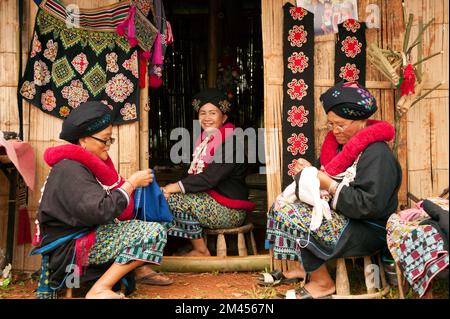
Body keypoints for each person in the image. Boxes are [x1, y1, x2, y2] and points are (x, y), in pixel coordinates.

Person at [261, 81, 402, 299]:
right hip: (347, 219)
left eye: (341, 125)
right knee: (283, 203)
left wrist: (330, 185)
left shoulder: (378, 155)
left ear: (361, 120)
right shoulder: (340, 147)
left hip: (368, 229)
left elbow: (369, 206)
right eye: (331, 124)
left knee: (291, 213)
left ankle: (322, 283)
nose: (335, 130)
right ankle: (305, 268)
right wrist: (308, 171)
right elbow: (321, 176)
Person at [31, 101, 171, 299]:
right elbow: (101, 210)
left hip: (81, 237)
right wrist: (131, 184)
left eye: (110, 140)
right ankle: (99, 289)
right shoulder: (70, 169)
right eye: (104, 140)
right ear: (84, 140)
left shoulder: (80, 165)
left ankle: (123, 276)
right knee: (153, 232)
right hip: (70, 248)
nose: (108, 146)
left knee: (148, 225)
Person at [161, 89, 255, 256]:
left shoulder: (232, 142)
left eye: (213, 113)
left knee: (175, 201)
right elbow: (190, 174)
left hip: (229, 209)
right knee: (163, 198)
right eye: (202, 113)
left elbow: (210, 178)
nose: (207, 118)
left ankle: (201, 250)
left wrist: (174, 187)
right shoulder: (205, 140)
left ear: (224, 117)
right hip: (213, 202)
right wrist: (167, 188)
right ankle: (187, 245)